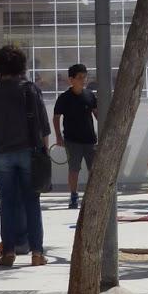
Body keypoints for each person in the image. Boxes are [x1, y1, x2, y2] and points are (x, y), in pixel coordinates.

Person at [0, 45, 51, 269]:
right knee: (32, 202)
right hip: (30, 152)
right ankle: (37, 253)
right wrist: (44, 153)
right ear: (21, 66)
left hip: (1, 155)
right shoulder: (31, 89)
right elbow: (44, 126)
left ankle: (8, 252)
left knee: (7, 203)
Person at [54, 62, 98, 210]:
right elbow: (56, 117)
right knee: (74, 169)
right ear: (71, 80)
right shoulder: (64, 98)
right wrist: (58, 137)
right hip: (72, 141)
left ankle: (94, 196)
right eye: (79, 77)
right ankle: (73, 196)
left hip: (90, 140)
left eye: (84, 77)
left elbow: (97, 114)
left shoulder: (90, 96)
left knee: (94, 170)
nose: (83, 80)